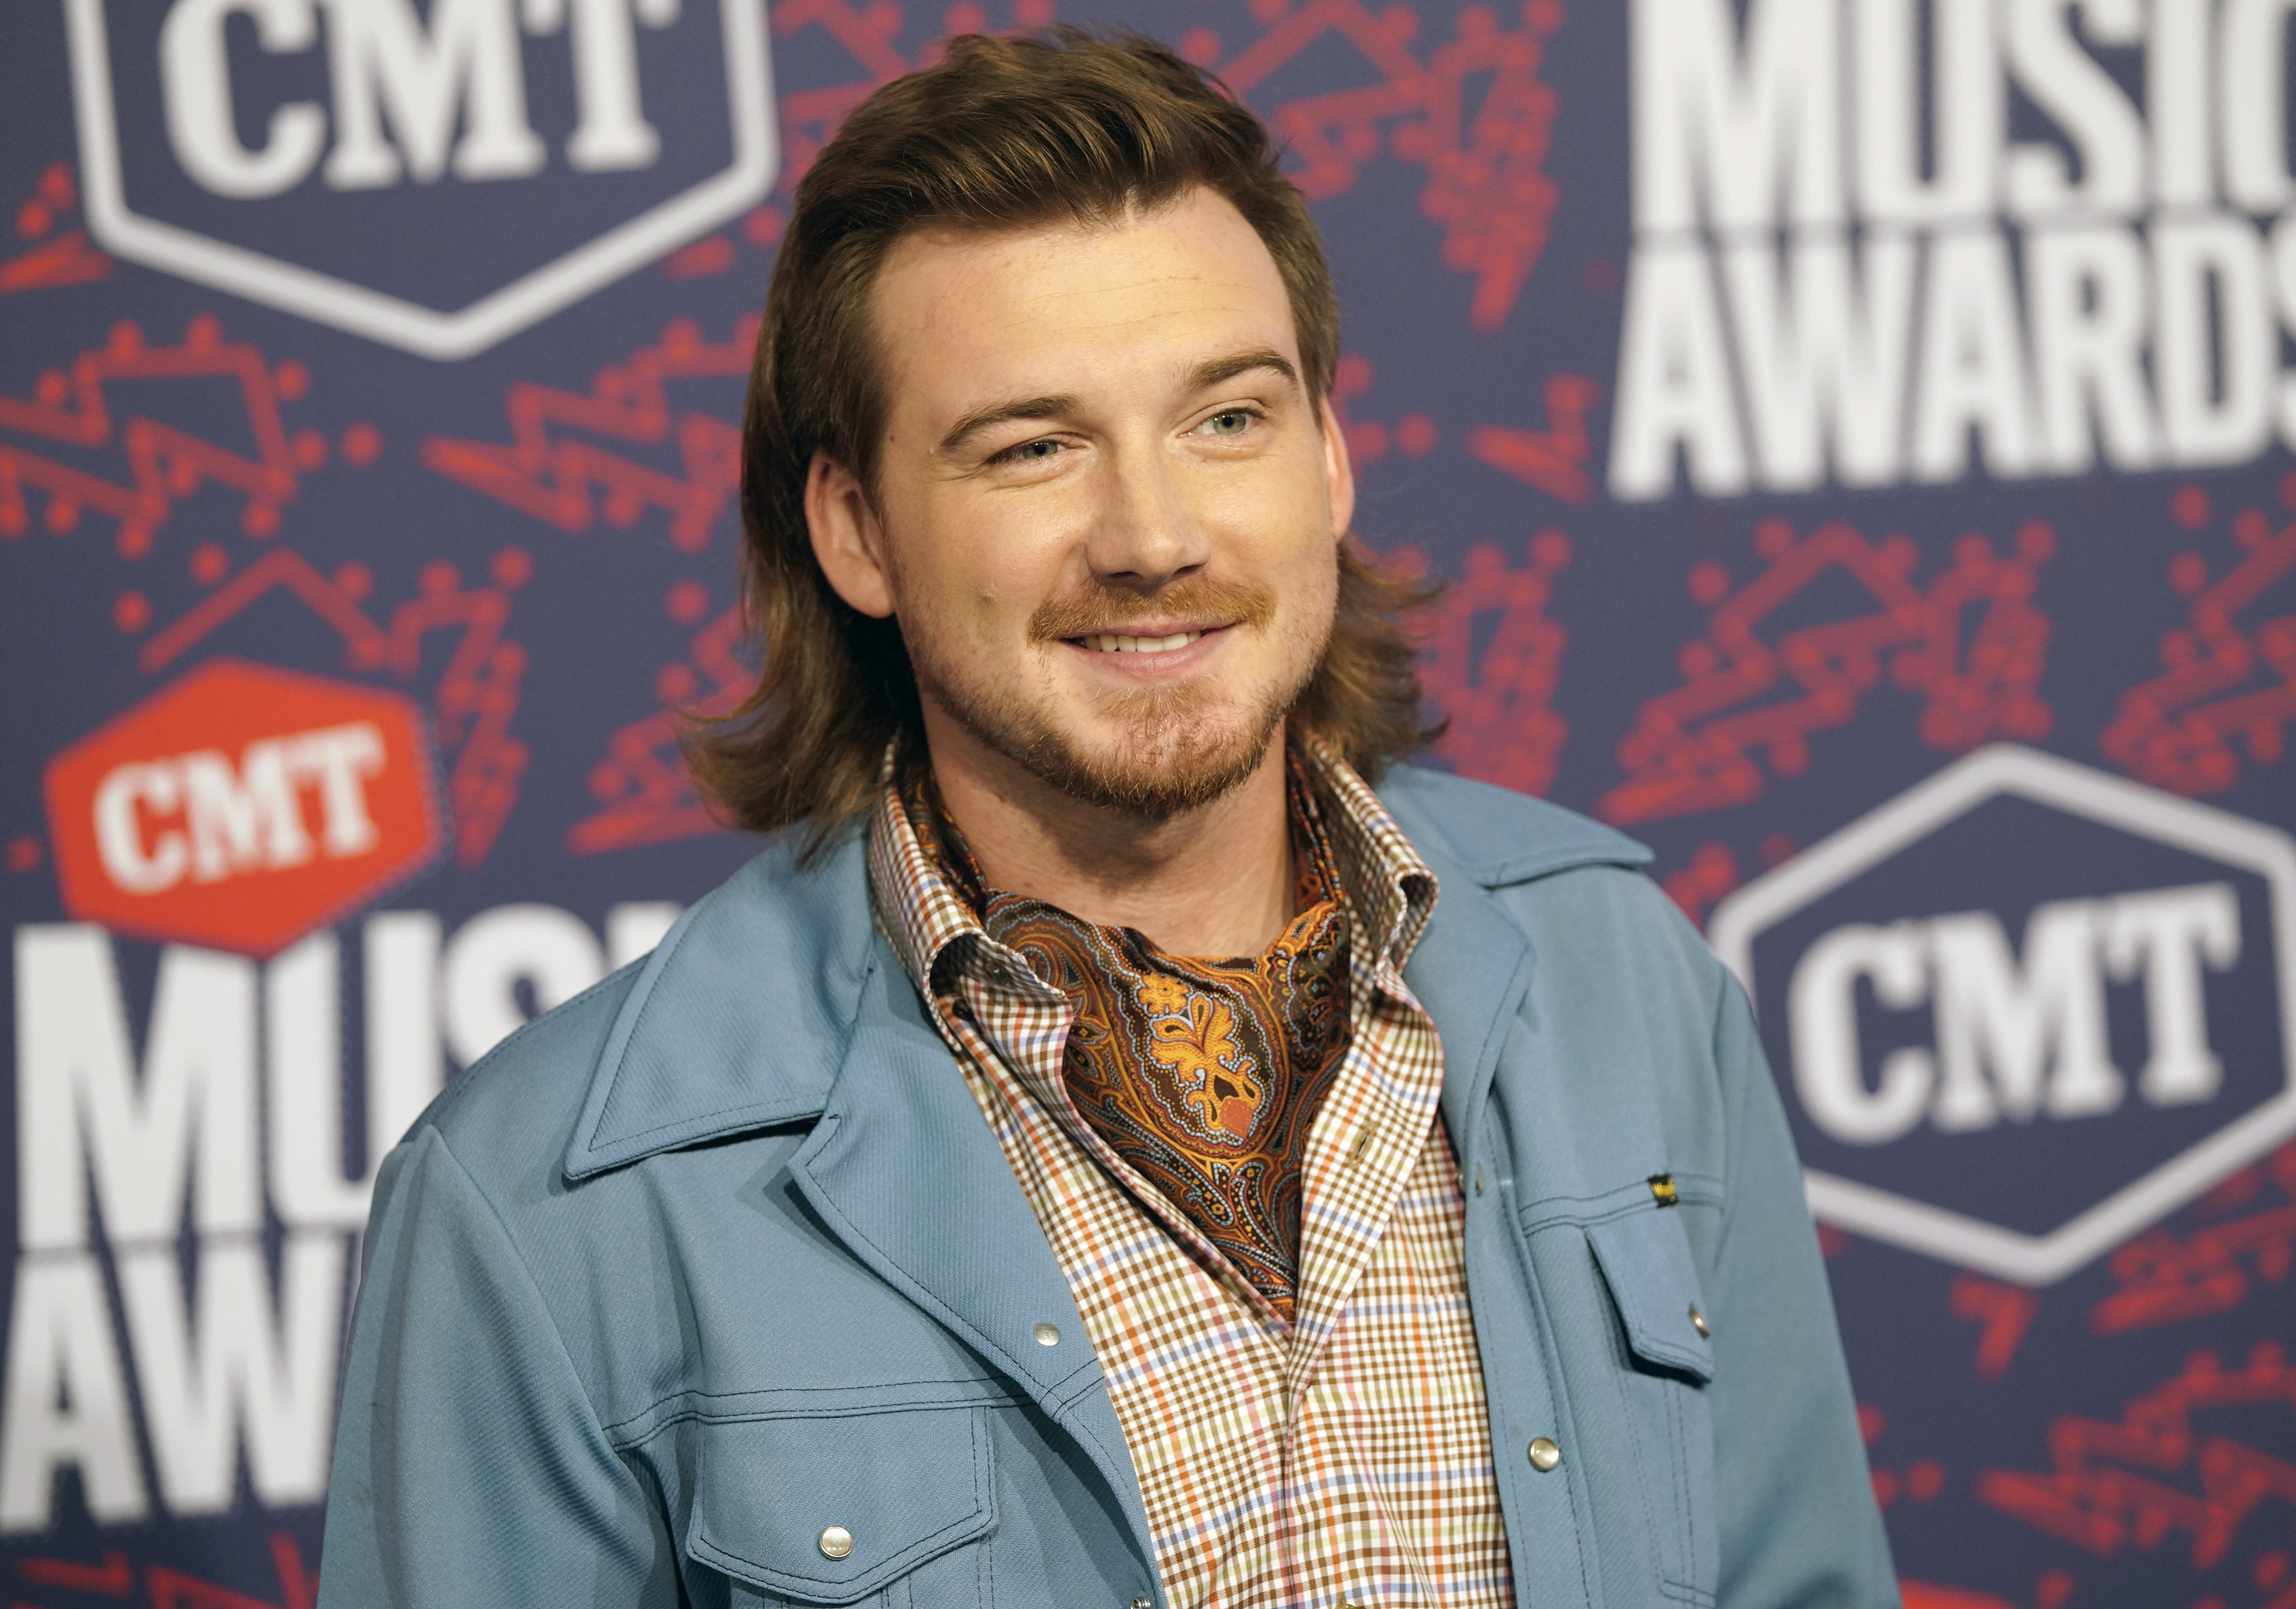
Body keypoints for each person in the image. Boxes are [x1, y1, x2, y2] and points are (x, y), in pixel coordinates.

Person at [318, 27, 1897, 1609]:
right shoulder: (549, 1210)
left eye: (1227, 419)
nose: (1152, 534)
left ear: (1332, 460)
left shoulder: (1621, 976)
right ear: (857, 532)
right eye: (1033, 449)